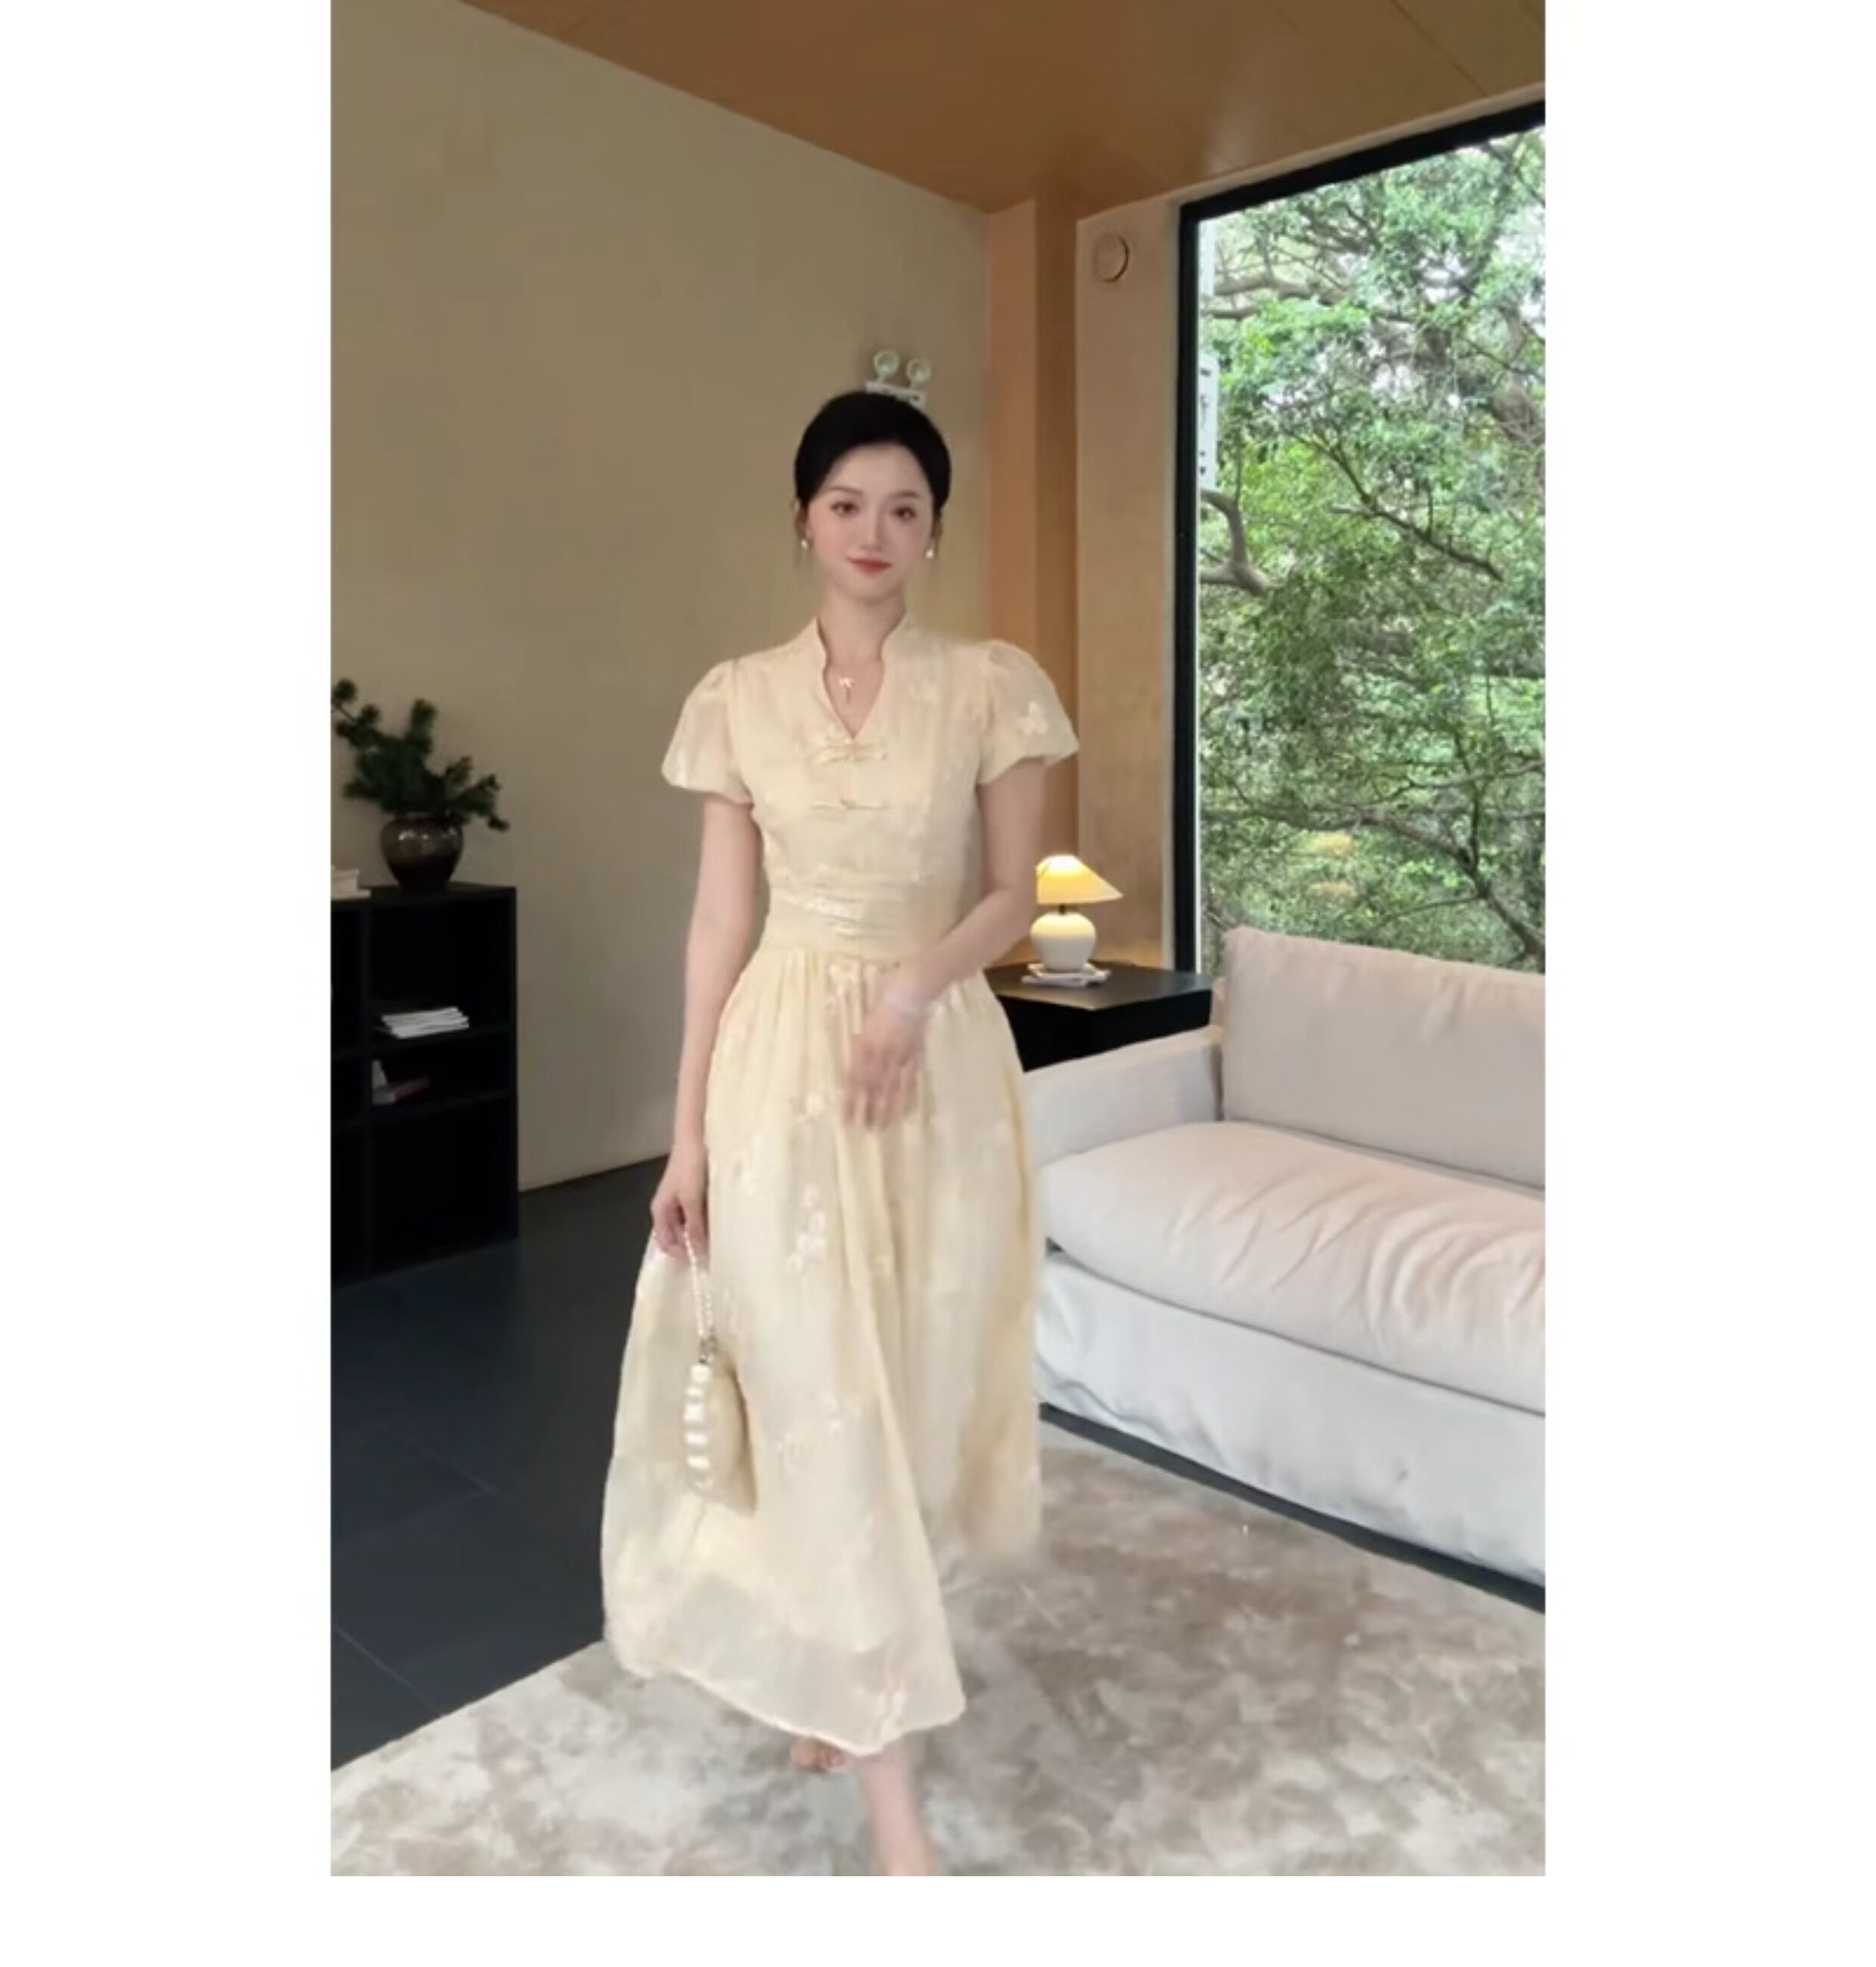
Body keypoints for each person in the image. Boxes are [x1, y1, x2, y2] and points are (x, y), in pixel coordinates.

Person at [599, 389, 1078, 1875]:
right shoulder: (736, 699)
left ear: (936, 530)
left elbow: (1012, 893)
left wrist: (913, 991)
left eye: (906, 507)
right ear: (802, 520)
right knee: (816, 1394)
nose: (875, 531)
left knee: (913, 1395)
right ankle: (893, 1807)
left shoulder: (990, 687)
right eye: (847, 504)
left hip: (932, 1071)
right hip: (779, 1074)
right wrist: (685, 1136)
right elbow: (718, 925)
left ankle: (842, 1682)